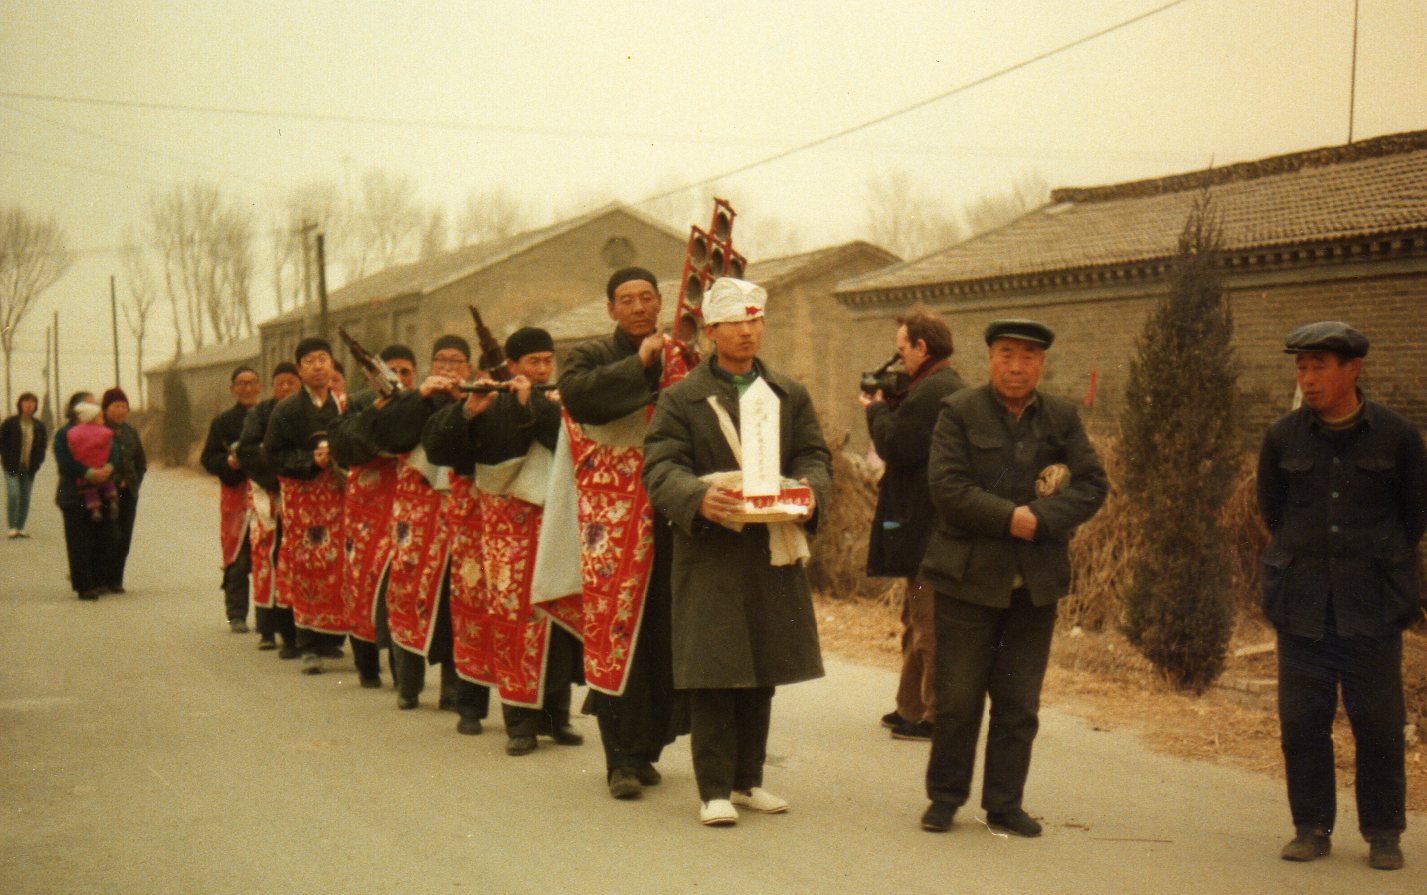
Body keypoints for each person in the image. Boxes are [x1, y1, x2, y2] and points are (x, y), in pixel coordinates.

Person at [644, 276, 832, 826]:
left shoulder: (788, 393)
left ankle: (749, 780)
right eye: (734, 322)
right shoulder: (682, 398)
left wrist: (808, 493)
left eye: (755, 321)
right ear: (710, 331)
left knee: (764, 664)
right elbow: (660, 467)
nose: (747, 331)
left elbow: (815, 455)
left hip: (770, 547)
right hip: (712, 552)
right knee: (714, 668)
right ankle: (714, 789)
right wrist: (698, 499)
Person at [918, 319, 1107, 837]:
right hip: (967, 577)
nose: (1016, 365)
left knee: (1019, 702)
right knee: (958, 699)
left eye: (1027, 356)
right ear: (990, 358)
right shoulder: (959, 411)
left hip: (1035, 582)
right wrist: (1010, 518)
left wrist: (1043, 520)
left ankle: (1004, 803)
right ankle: (945, 797)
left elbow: (1092, 485)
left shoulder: (1062, 418)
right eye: (1005, 354)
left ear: (1041, 363)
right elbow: (947, 487)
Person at [1257, 321, 1426, 872]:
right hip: (1302, 603)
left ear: (1353, 369)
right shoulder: (1283, 437)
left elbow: (1414, 517)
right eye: (1301, 367)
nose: (1307, 379)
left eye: (1318, 366)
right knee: (1302, 722)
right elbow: (1274, 512)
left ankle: (1383, 832)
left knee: (1377, 722)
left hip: (1371, 607)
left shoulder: (1398, 437)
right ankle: (1310, 827)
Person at [426, 326, 584, 755]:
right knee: (514, 623)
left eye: (548, 360)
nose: (543, 368)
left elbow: (571, 444)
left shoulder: (555, 399)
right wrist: (469, 411)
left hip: (552, 522)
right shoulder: (486, 399)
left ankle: (557, 717)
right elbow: (444, 451)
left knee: (555, 614)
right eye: (533, 362)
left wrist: (531, 402)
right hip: (504, 534)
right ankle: (519, 723)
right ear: (511, 366)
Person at [557, 266, 680, 799]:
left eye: (646, 298)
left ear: (660, 304)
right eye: (626, 300)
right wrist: (642, 365)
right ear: (611, 310)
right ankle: (619, 761)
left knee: (662, 633)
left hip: (667, 508)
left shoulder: (683, 352)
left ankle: (646, 748)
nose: (637, 307)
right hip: (609, 520)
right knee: (614, 632)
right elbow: (580, 398)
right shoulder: (590, 355)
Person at [860, 308, 966, 742]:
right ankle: (911, 706)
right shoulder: (938, 386)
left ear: (922, 348)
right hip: (926, 527)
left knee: (929, 623)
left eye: (902, 351)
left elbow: (895, 445)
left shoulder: (933, 392)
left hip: (928, 531)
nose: (899, 361)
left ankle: (937, 715)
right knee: (916, 619)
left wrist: (875, 410)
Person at [368, 335, 474, 715]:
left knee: (456, 599)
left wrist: (466, 401)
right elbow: (388, 435)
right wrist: (421, 399)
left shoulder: (477, 397)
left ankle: (453, 687)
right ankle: (409, 684)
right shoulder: (410, 399)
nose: (448, 368)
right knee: (407, 594)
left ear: (469, 368)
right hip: (416, 514)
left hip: (461, 511)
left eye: (456, 361)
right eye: (441, 360)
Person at [329, 344, 417, 688]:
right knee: (363, 582)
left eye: (405, 371)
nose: (398, 377)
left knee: (402, 586)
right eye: (391, 369)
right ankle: (367, 666)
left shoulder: (424, 402)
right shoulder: (361, 403)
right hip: (368, 506)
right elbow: (342, 446)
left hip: (412, 506)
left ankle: (405, 674)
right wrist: (374, 416)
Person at [262, 338, 348, 674]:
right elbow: (272, 455)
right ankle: (305, 641)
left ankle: (330, 637)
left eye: (323, 359)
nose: (317, 366)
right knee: (305, 564)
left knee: (336, 563)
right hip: (303, 496)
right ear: (299, 369)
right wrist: (309, 460)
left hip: (336, 496)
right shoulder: (287, 410)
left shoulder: (342, 404)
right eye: (309, 360)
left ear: (332, 365)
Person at [238, 362, 302, 653]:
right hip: (267, 492)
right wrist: (274, 476)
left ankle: (298, 627)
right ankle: (266, 627)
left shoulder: (305, 411)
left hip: (299, 490)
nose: (286, 388)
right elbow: (248, 450)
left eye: (291, 382)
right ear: (272, 385)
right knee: (266, 559)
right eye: (281, 383)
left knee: (294, 557)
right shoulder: (259, 413)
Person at [201, 367, 262, 632]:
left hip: (267, 494)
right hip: (236, 497)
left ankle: (270, 621)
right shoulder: (223, 422)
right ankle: (235, 615)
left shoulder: (270, 416)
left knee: (268, 558)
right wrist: (227, 463)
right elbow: (207, 459)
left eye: (251, 383)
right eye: (241, 383)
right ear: (232, 389)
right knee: (237, 556)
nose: (247, 388)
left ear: (259, 386)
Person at [52, 391, 118, 600]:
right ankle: (84, 585)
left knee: (103, 535)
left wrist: (108, 467)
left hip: (101, 488)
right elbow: (64, 461)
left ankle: (99, 580)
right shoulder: (64, 434)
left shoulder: (102, 430)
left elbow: (113, 451)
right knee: (78, 540)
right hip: (73, 491)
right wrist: (86, 472)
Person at [101, 388, 146, 594]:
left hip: (129, 492)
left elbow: (140, 462)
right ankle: (101, 578)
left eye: (123, 406)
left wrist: (133, 481)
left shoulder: (130, 432)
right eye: (115, 406)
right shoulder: (100, 431)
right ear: (105, 408)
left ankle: (116, 579)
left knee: (124, 535)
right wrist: (115, 480)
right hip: (106, 492)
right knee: (109, 534)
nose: (120, 410)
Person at [2, 392, 47, 538]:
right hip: (11, 466)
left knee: (25, 497)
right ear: (20, 404)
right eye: (26, 401)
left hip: (28, 467)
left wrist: (38, 462)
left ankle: (20, 527)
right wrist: (7, 458)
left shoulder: (39, 426)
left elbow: (42, 446)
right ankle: (12, 526)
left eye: (32, 402)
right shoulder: (10, 423)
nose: (29, 405)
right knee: (13, 493)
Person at [66, 401, 120, 522]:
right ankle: (112, 500)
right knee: (108, 485)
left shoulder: (74, 432)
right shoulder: (105, 432)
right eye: (100, 417)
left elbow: (71, 450)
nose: (103, 419)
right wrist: (109, 466)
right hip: (103, 469)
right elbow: (112, 448)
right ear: (92, 418)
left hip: (86, 472)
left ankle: (95, 509)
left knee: (89, 490)